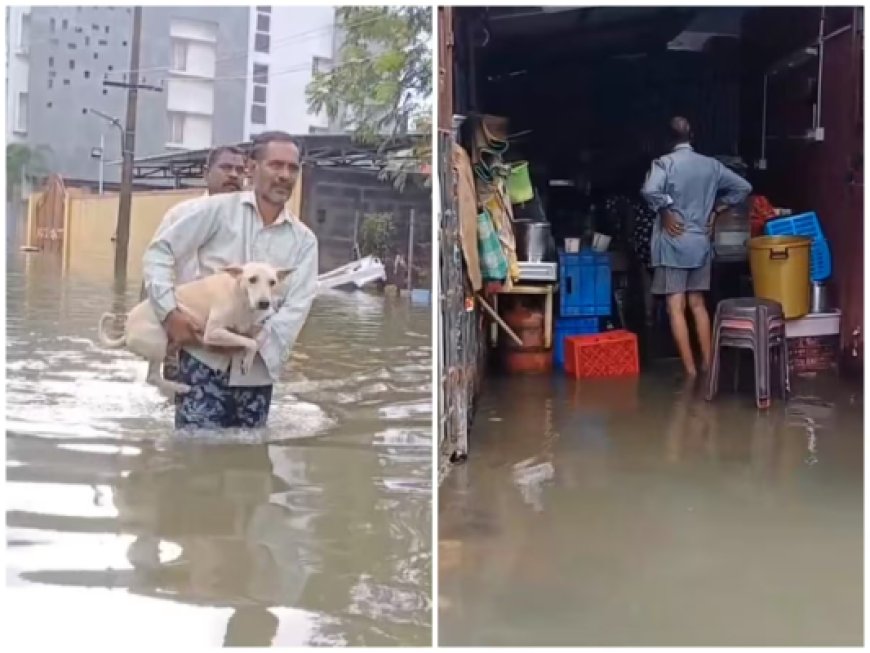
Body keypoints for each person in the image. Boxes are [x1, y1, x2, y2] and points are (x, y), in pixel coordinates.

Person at [142, 131, 318, 429]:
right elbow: (159, 253)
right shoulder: (216, 211)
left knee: (250, 461)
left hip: (257, 371)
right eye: (276, 165)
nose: (285, 175)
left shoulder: (304, 242)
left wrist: (253, 342)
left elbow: (296, 308)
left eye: (293, 168)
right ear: (252, 167)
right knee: (193, 456)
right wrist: (169, 314)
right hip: (200, 358)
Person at [641, 117, 752, 379]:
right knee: (698, 303)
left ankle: (690, 372)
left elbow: (649, 190)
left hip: (673, 243)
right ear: (692, 136)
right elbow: (743, 187)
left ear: (667, 139)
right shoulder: (711, 166)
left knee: (675, 307)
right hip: (700, 241)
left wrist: (665, 209)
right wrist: (717, 208)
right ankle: (709, 365)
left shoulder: (664, 163)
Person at [140, 145, 248, 381]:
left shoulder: (248, 225)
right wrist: (158, 317)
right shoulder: (180, 214)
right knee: (175, 395)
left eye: (240, 170)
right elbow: (155, 263)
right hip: (178, 326)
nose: (234, 175)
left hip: (223, 335)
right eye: (226, 167)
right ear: (205, 172)